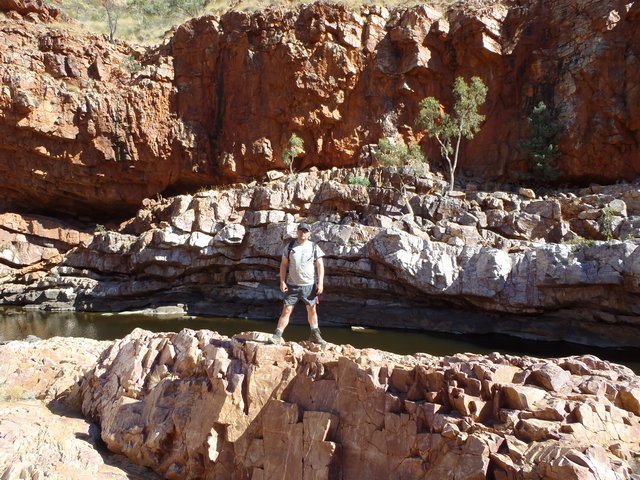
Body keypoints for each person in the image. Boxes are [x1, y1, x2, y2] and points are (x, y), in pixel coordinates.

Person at [269, 222, 326, 345]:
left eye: (305, 231)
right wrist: (282, 281)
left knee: (312, 310)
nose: (303, 233)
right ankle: (277, 335)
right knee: (286, 310)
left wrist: (320, 283)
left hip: (309, 286)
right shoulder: (290, 246)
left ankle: (315, 335)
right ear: (297, 231)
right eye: (301, 230)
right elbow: (283, 265)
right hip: (292, 286)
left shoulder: (314, 247)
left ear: (309, 233)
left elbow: (320, 265)